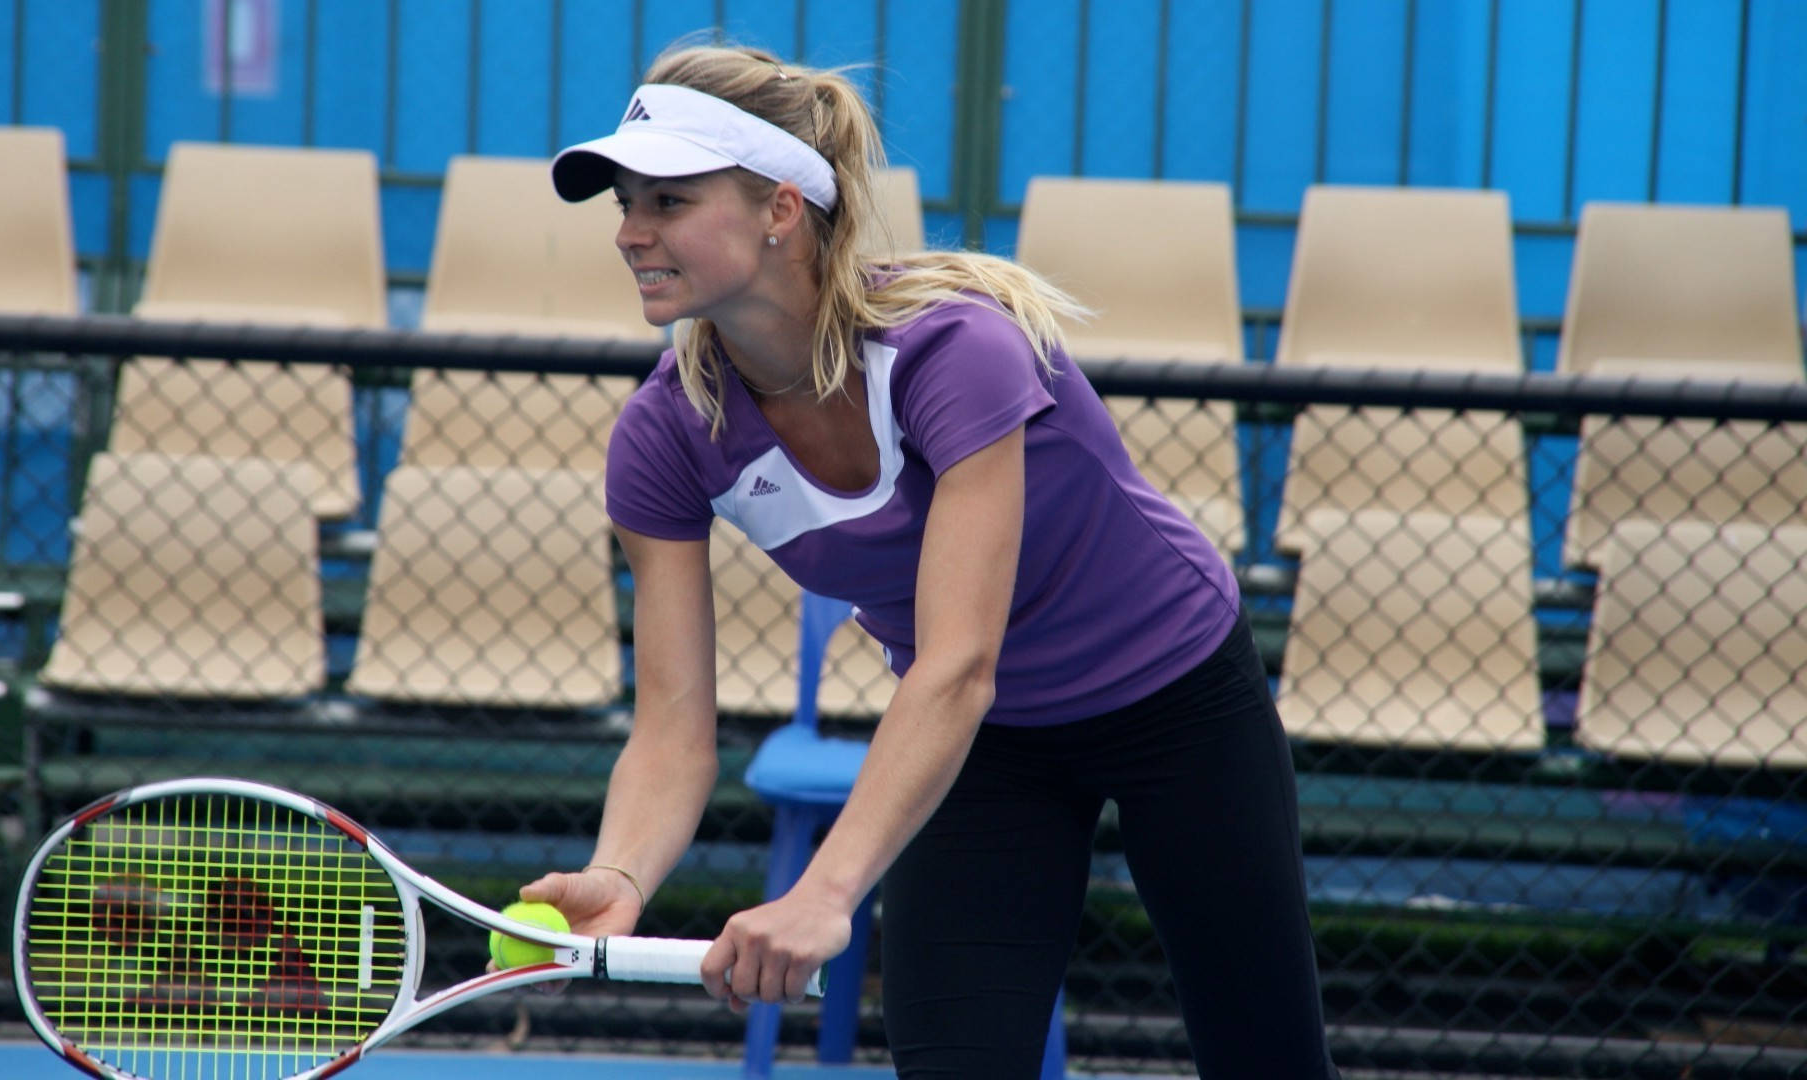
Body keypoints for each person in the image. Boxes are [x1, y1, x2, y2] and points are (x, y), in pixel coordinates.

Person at [521, 42, 1341, 1079]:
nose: (632, 233)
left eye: (670, 202)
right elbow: (674, 728)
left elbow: (958, 660)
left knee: (1266, 1060)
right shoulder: (663, 435)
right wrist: (619, 870)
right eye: (625, 204)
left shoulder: (956, 351)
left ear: (781, 208)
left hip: (1175, 696)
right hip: (986, 748)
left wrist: (824, 894)